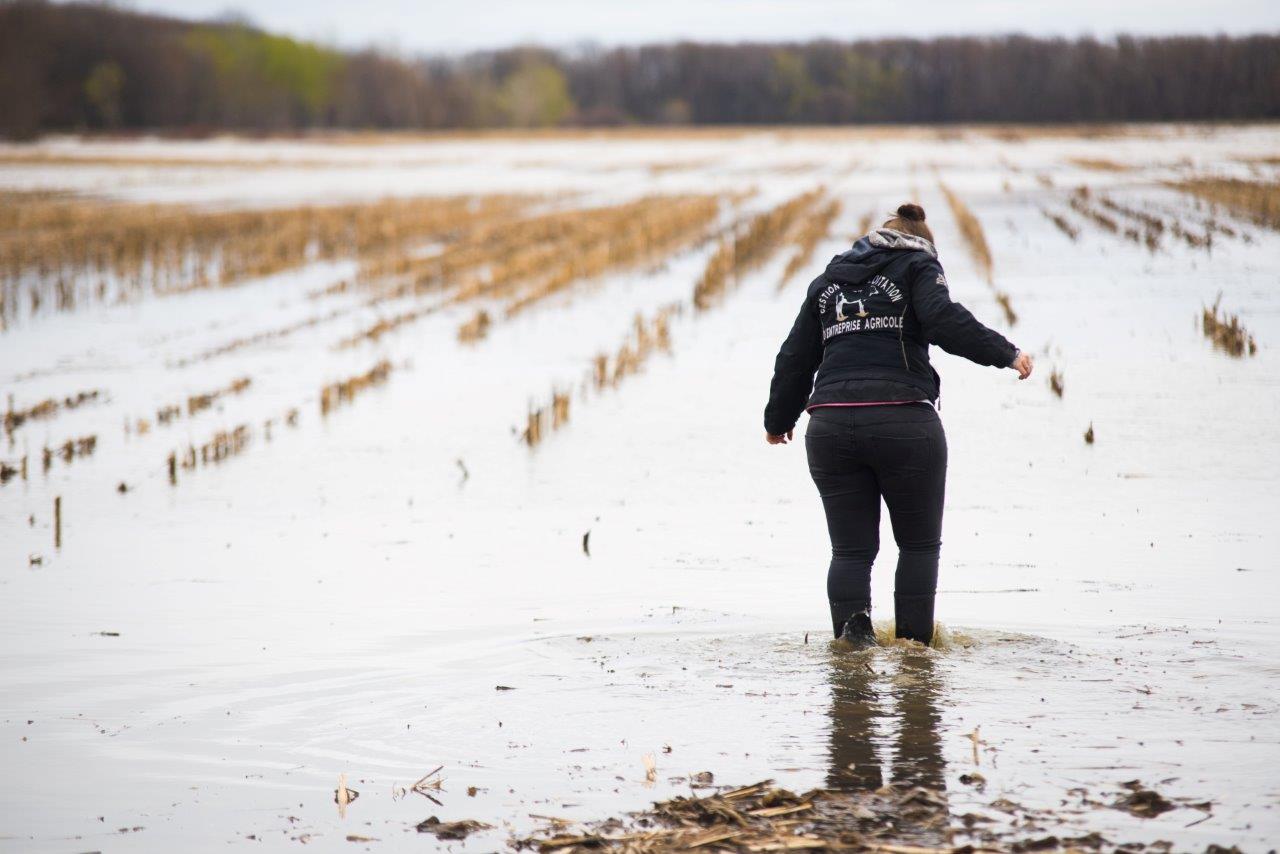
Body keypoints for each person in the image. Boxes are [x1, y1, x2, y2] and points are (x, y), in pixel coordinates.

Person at [763, 203, 1033, 648]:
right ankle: (914, 655)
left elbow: (794, 357)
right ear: (924, 240)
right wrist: (1004, 352)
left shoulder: (827, 282)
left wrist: (778, 420)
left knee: (850, 552)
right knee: (918, 546)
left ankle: (852, 651)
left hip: (829, 426)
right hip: (903, 420)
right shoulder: (919, 265)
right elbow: (943, 319)